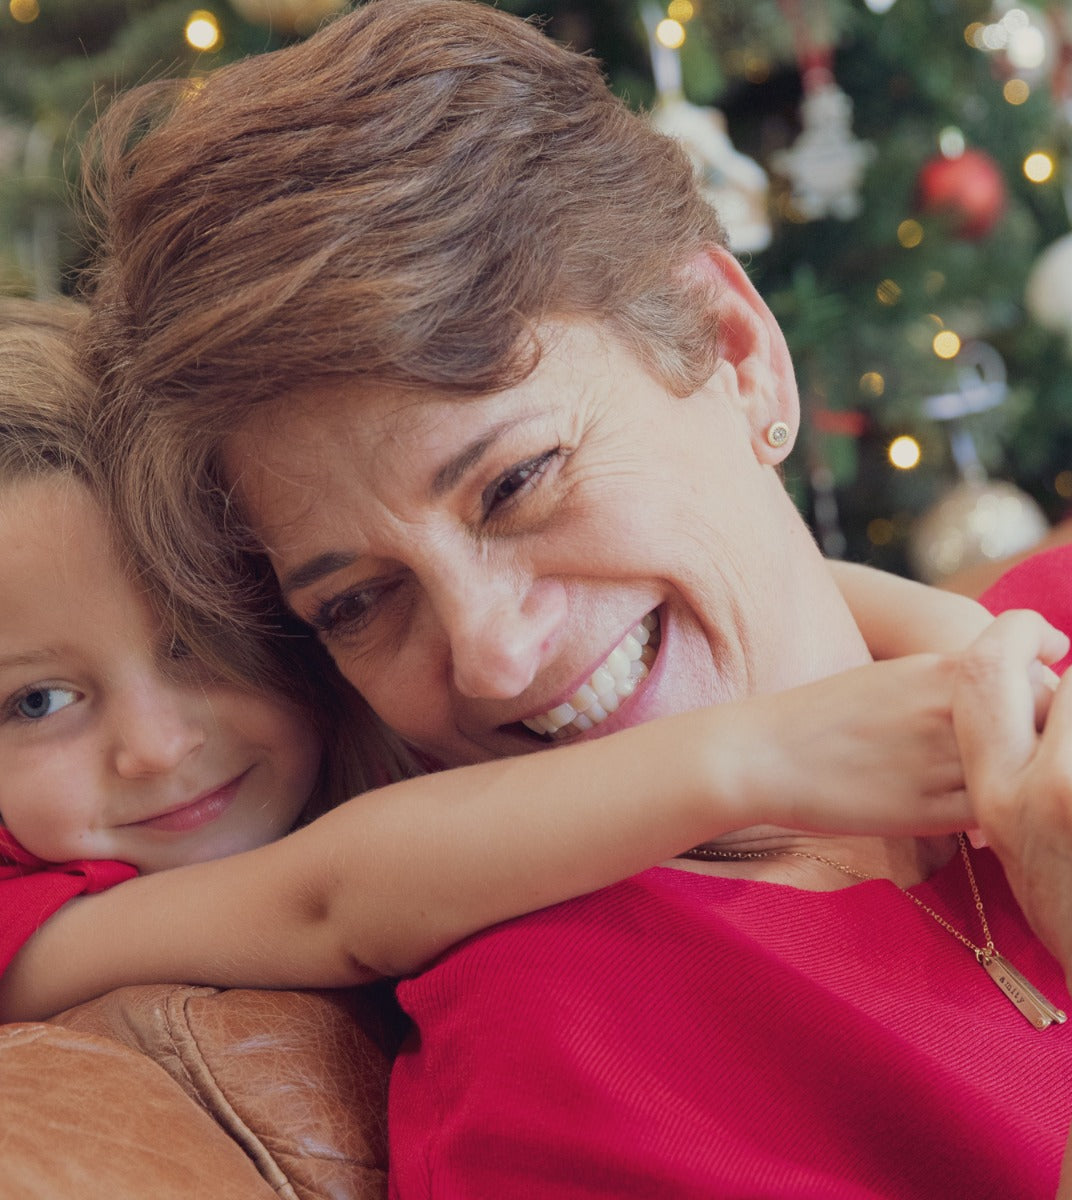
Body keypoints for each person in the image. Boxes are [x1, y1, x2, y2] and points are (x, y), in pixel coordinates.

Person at [76, 2, 1072, 1196]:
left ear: (736, 350)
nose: (491, 656)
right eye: (358, 602)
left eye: (516, 483)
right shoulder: (565, 1066)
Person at [0, 296, 989, 1022]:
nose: (155, 746)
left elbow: (789, 579)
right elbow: (335, 899)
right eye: (38, 700)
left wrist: (971, 656)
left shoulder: (375, 698)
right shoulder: (29, 923)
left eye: (203, 644)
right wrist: (753, 754)